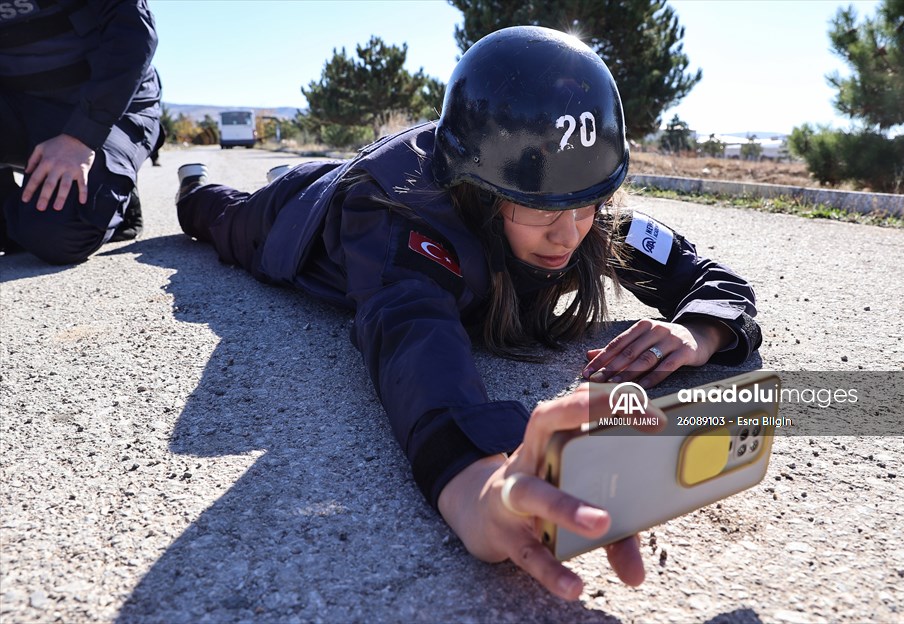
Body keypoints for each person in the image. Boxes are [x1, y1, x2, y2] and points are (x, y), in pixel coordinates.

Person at [174, 26, 762, 600]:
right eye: (540, 209)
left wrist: (700, 331)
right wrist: (473, 483)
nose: (569, 234)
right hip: (299, 216)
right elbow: (412, 335)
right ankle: (197, 186)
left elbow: (709, 278)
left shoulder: (583, 209)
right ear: (478, 193)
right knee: (218, 219)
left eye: (587, 206)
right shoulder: (397, 217)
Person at [0, 0, 161, 263]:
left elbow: (133, 34)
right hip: (22, 107)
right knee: (18, 230)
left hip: (111, 106)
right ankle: (9, 217)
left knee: (55, 235)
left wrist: (82, 135)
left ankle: (113, 188)